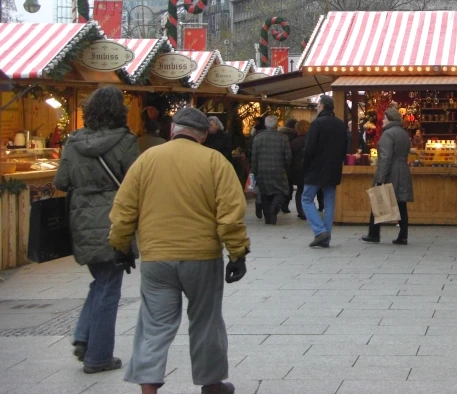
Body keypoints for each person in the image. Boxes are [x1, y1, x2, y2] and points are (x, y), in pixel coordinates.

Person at [108, 106, 249, 394]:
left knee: (154, 324)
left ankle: (148, 387)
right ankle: (211, 383)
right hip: (202, 256)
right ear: (203, 135)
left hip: (157, 257)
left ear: (173, 130)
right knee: (206, 320)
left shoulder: (147, 159)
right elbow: (231, 212)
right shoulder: (214, 161)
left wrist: (120, 246)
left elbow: (124, 208)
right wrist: (237, 253)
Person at [54, 86, 139, 374]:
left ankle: (84, 336)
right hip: (115, 215)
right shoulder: (126, 141)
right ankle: (98, 356)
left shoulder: (73, 141)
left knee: (101, 279)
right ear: (119, 111)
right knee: (108, 286)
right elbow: (135, 181)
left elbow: (61, 181)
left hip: (81, 217)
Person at [361, 106, 414, 245]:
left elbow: (385, 157)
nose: (382, 121)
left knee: (378, 199)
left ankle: (374, 233)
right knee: (401, 203)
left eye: (384, 118)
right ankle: (403, 235)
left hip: (391, 171)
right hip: (403, 170)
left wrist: (381, 177)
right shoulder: (403, 133)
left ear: (390, 119)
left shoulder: (388, 134)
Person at [302, 95, 348, 248]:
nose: (316, 107)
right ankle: (326, 238)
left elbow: (309, 149)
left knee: (306, 199)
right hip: (333, 169)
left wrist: (305, 166)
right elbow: (344, 149)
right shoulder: (341, 125)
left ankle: (320, 230)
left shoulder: (317, 124)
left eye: (317, 105)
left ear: (322, 106)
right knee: (329, 204)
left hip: (315, 169)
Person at [250, 115, 291, 225]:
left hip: (262, 170)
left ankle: (268, 216)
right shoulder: (283, 138)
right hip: (279, 169)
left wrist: (254, 169)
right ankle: (274, 208)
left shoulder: (258, 137)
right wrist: (286, 167)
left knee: (265, 193)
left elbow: (254, 156)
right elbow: (288, 156)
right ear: (277, 125)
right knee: (280, 191)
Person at [289, 120, 311, 220]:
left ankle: (300, 211)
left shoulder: (294, 142)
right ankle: (307, 210)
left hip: (297, 169)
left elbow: (291, 157)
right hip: (309, 168)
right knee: (309, 190)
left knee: (300, 190)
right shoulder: (311, 140)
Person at [278, 118, 298, 213]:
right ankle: (285, 205)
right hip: (290, 163)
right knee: (288, 185)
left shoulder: (279, 134)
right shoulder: (294, 136)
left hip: (279, 162)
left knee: (279, 184)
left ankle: (279, 202)